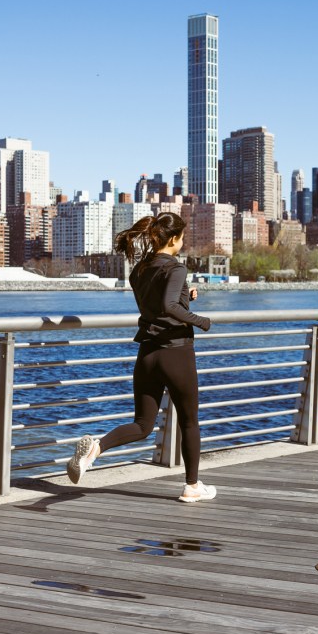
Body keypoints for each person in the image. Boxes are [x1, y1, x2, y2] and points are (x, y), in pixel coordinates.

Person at [65, 212, 217, 502]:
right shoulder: (176, 268)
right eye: (182, 238)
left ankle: (96, 449)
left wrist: (187, 295)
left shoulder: (140, 270)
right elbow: (169, 305)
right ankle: (192, 486)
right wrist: (200, 320)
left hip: (147, 354)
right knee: (189, 421)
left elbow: (157, 303)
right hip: (176, 353)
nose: (183, 243)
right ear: (173, 239)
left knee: (142, 425)